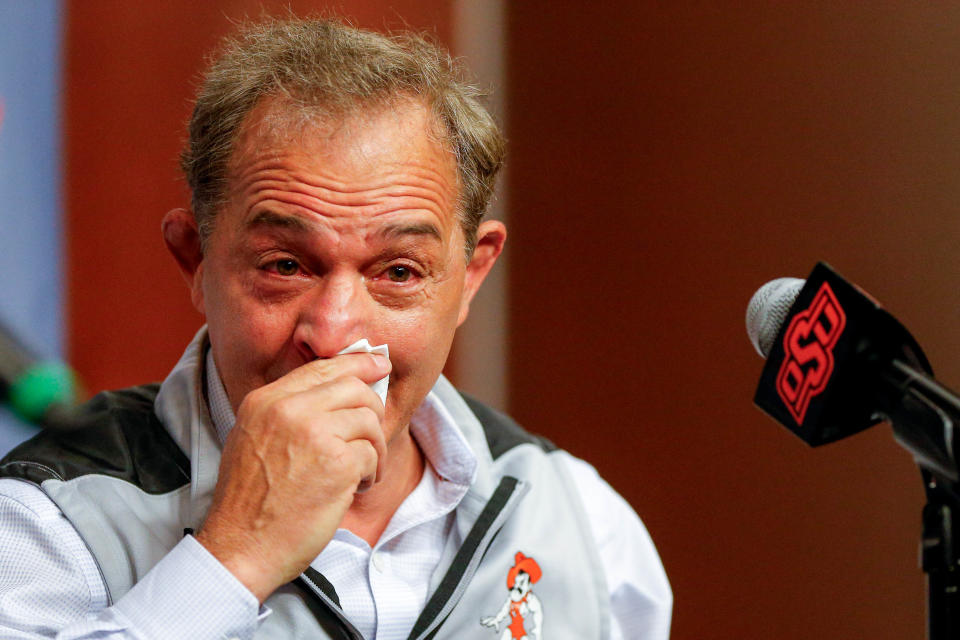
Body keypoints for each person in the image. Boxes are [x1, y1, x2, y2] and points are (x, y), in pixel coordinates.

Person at [0, 17, 671, 639]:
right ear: (196, 260)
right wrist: (233, 557)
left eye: (399, 273)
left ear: (469, 276)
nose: (334, 333)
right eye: (286, 266)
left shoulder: (578, 521)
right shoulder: (44, 523)